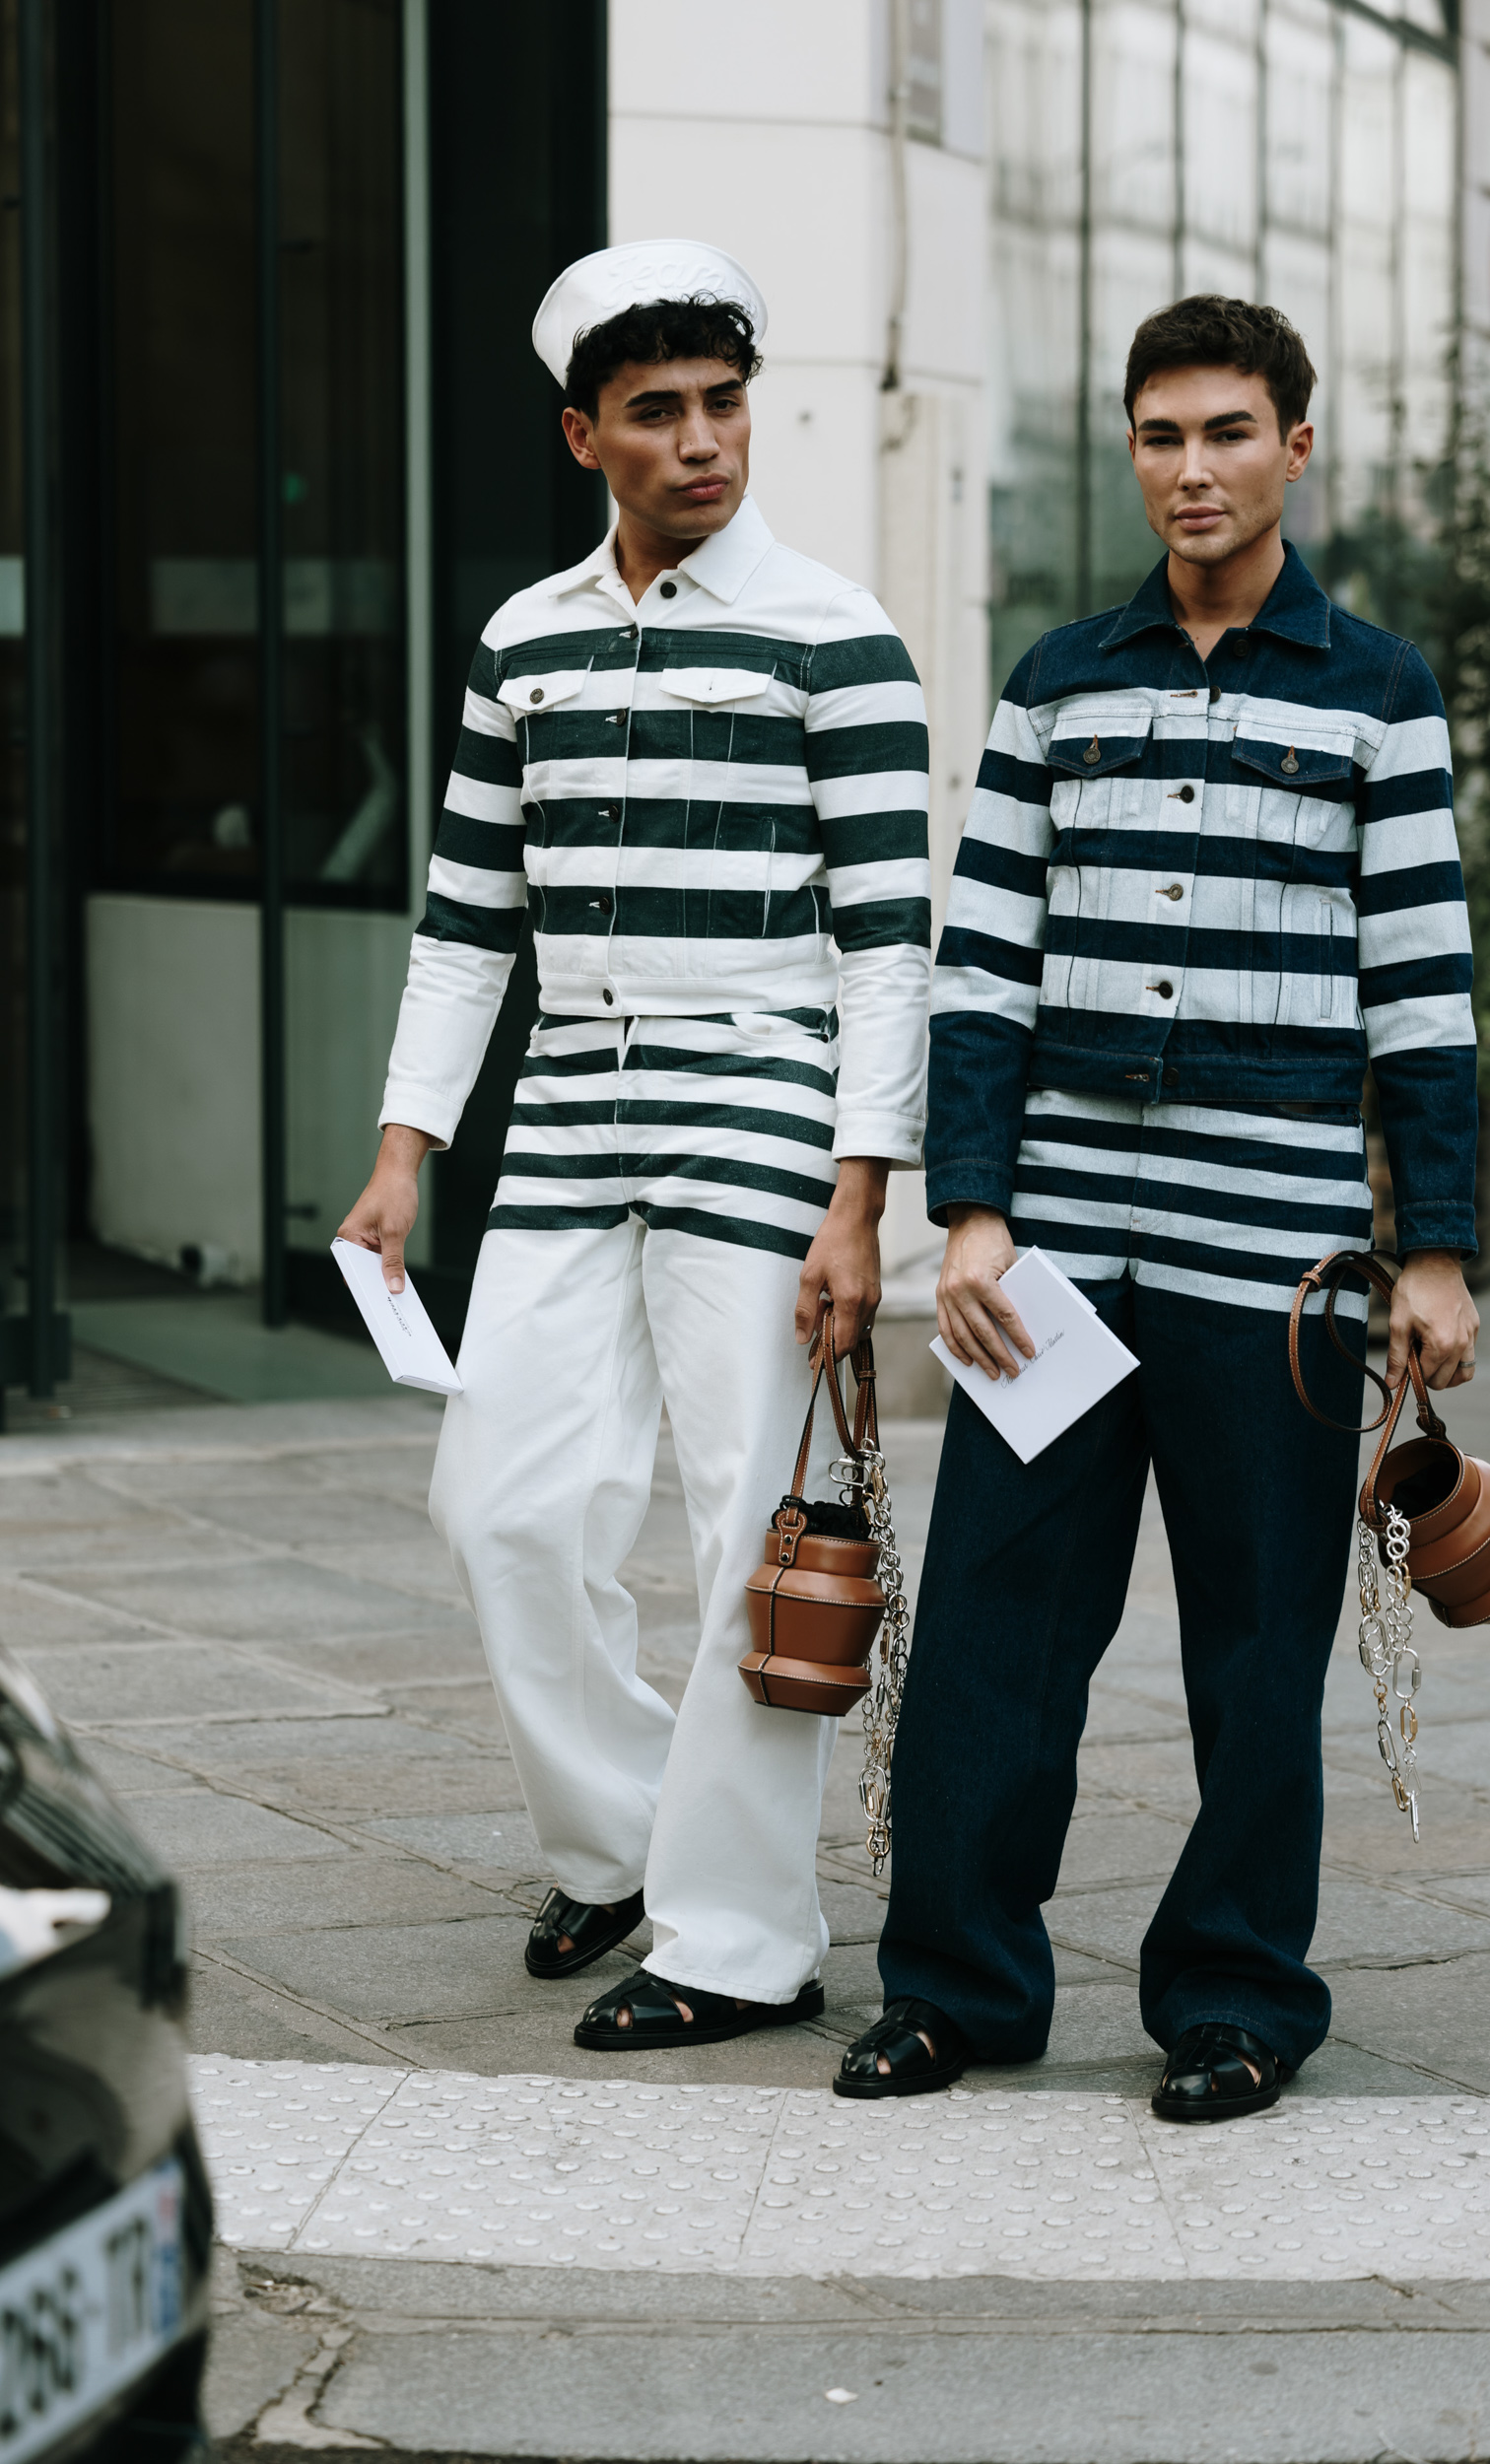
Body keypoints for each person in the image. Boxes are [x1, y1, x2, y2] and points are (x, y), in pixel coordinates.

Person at [834, 296, 1479, 2119]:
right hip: (1050, 1257)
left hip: (1272, 1261)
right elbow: (983, 975)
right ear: (1130, 453)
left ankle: (1236, 1998)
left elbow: (1422, 995)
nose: (1190, 469)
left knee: (1258, 1642)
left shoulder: (1378, 695)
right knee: (989, 1629)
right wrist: (968, 1217)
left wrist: (1428, 1248)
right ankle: (955, 1985)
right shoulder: (1055, 683)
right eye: (1158, 436)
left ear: (1294, 446)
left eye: (1225, 432)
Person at [339, 240, 930, 2049]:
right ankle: (610, 1845)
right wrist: (401, 1149)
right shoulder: (522, 637)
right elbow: (462, 925)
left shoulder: (839, 633)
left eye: (724, 405)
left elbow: (886, 946)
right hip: (565, 1112)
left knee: (746, 1520)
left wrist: (860, 1208)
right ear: (580, 430)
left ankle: (743, 1937)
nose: (699, 443)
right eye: (658, 413)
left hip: (764, 1090)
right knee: (497, 1504)